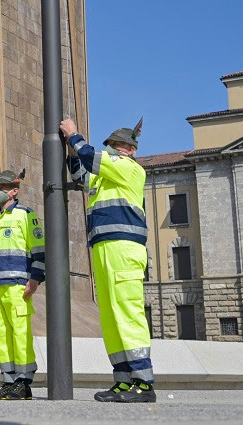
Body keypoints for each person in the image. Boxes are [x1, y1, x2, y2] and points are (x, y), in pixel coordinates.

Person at [60, 118, 155, 403]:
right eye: (110, 147)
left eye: (115, 147)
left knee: (127, 313)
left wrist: (73, 134)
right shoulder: (106, 177)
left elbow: (90, 156)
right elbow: (80, 174)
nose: (111, 151)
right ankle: (124, 381)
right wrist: (68, 148)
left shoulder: (129, 169)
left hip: (124, 248)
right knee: (112, 318)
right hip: (104, 249)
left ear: (130, 150)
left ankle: (144, 383)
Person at [0, 168, 45, 400]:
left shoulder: (26, 215)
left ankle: (23, 382)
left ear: (14, 191)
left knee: (20, 333)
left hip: (18, 285)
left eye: (2, 188)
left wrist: (35, 279)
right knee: (1, 334)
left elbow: (39, 250)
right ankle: (8, 380)